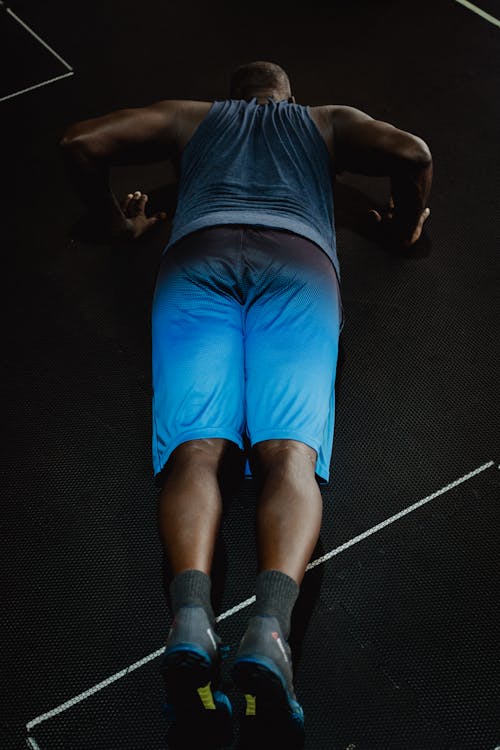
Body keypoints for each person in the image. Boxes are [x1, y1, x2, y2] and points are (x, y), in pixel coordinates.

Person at [60, 60, 432, 746]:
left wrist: (114, 224)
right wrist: (404, 227)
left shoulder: (192, 117)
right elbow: (413, 153)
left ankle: (192, 619)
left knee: (195, 451)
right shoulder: (325, 121)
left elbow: (80, 143)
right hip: (299, 265)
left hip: (196, 258)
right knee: (290, 455)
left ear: (233, 97)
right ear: (289, 95)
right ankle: (268, 631)